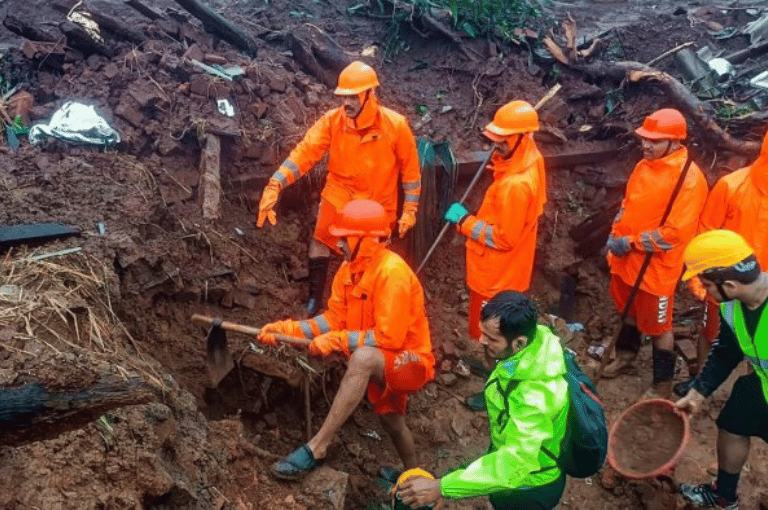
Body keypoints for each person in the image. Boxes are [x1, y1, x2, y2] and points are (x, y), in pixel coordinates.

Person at [256, 199, 435, 480]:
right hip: (383, 360)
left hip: (411, 363)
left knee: (362, 358)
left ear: (366, 239)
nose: (338, 245)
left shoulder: (392, 273)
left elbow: (390, 337)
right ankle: (416, 477)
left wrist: (337, 341)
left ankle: (318, 447)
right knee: (393, 423)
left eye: (344, 238)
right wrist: (288, 330)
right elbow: (333, 319)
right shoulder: (349, 270)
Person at [256, 61, 421, 316]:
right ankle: (314, 302)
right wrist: (276, 182)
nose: (347, 103)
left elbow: (411, 172)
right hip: (339, 196)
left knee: (371, 259)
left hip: (377, 205)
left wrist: (410, 209)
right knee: (321, 241)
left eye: (353, 97)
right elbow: (305, 152)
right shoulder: (333, 122)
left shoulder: (396, 126)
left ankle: (366, 310)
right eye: (343, 97)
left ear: (370, 95)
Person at [398, 291, 569, 510]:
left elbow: (513, 465)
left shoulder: (535, 398)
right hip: (516, 473)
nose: (481, 341)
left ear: (519, 342)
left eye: (491, 338)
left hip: (529, 487)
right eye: (483, 333)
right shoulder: (533, 345)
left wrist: (441, 487)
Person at [602, 108, 708, 399]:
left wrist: (632, 242)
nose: (646, 145)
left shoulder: (689, 180)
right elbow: (628, 203)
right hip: (625, 260)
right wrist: (615, 230)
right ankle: (626, 357)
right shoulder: (644, 166)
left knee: (659, 327)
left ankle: (661, 385)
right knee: (627, 312)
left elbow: (674, 234)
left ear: (675, 143)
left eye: (655, 140)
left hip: (655, 268)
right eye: (644, 139)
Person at [676, 230, 768, 510]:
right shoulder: (733, 309)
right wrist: (698, 392)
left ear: (729, 284)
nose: (703, 292)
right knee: (732, 425)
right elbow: (727, 352)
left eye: (705, 285)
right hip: (761, 385)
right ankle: (724, 495)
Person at [675, 129, 768, 397]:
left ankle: (756, 389)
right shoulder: (732, 186)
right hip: (722, 281)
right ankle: (702, 385)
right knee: (711, 332)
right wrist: (699, 278)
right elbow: (706, 231)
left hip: (761, 287)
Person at [444, 100, 546, 342]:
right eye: (496, 137)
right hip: (512, 271)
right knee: (503, 329)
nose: (496, 144)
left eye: (504, 139)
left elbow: (503, 238)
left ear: (523, 137)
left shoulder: (515, 186)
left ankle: (487, 367)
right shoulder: (531, 158)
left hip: (495, 276)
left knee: (486, 333)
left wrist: (464, 221)